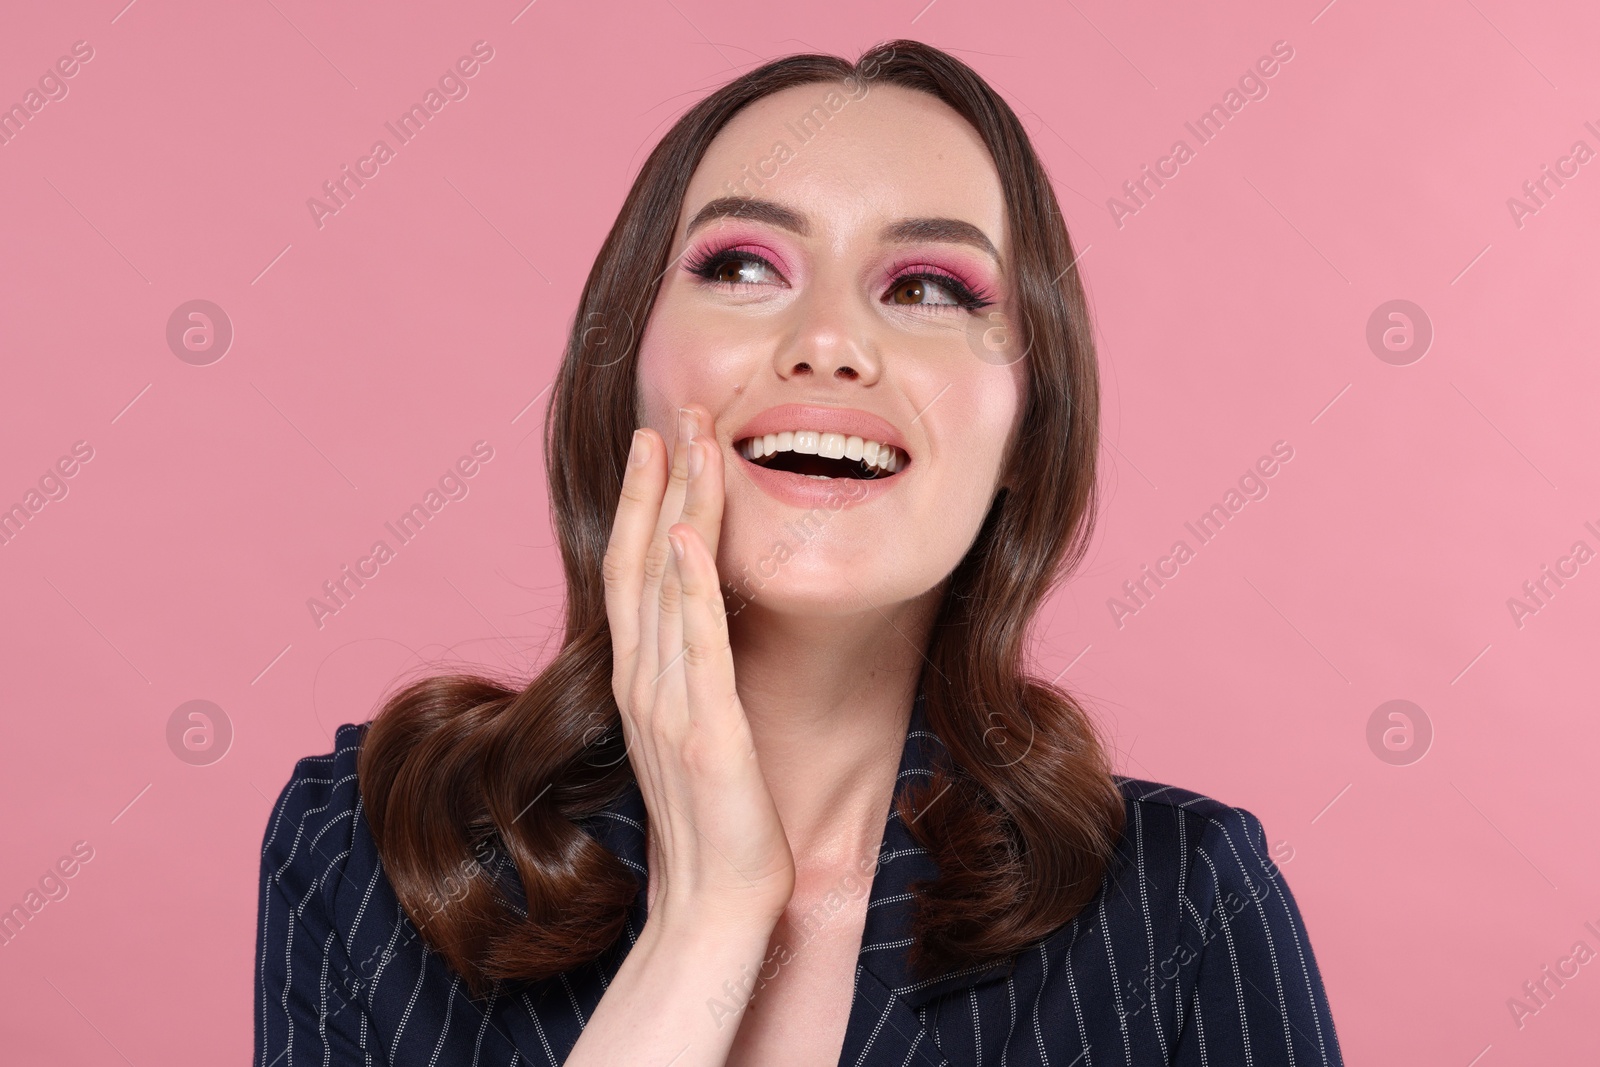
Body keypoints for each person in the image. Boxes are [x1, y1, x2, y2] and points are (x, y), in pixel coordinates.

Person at [254, 38, 1344, 1066]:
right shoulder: (371, 851)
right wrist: (707, 918)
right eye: (740, 266)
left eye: (926, 288)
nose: (828, 341)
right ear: (625, 365)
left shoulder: (1183, 907)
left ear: (1025, 431)